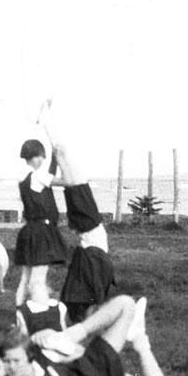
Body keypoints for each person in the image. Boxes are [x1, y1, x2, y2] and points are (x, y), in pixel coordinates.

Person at [0, 296, 172, 376]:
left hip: (95, 365)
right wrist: (0, 371)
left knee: (126, 304)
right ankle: (140, 340)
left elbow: (78, 352)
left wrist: (54, 336)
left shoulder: (43, 357)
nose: (12, 366)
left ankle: (77, 330)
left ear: (28, 357)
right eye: (8, 361)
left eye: (16, 360)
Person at [37, 100, 115, 325]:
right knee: (63, 156)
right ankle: (47, 121)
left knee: (62, 155)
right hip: (88, 224)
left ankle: (46, 122)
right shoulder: (92, 275)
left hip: (88, 224)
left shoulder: (91, 268)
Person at [14, 135, 68, 312]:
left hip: (29, 230)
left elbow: (48, 176)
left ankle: (20, 315)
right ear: (32, 157)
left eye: (43, 156)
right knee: (37, 279)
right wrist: (63, 161)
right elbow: (66, 182)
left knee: (25, 277)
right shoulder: (39, 175)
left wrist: (54, 159)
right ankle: (42, 317)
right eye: (39, 156)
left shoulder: (26, 178)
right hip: (41, 232)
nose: (42, 159)